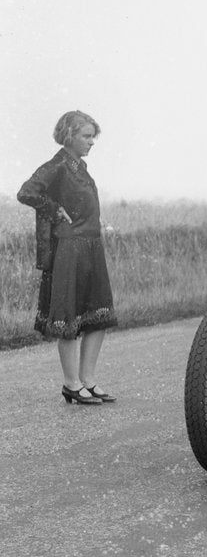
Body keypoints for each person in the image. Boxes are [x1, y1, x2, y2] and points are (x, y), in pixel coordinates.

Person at [17, 110, 118, 405]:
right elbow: (26, 192)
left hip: (91, 247)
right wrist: (53, 209)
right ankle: (71, 383)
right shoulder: (58, 165)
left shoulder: (80, 167)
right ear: (69, 135)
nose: (91, 142)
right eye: (86, 136)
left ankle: (88, 381)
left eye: (92, 136)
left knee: (99, 316)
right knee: (70, 317)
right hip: (69, 250)